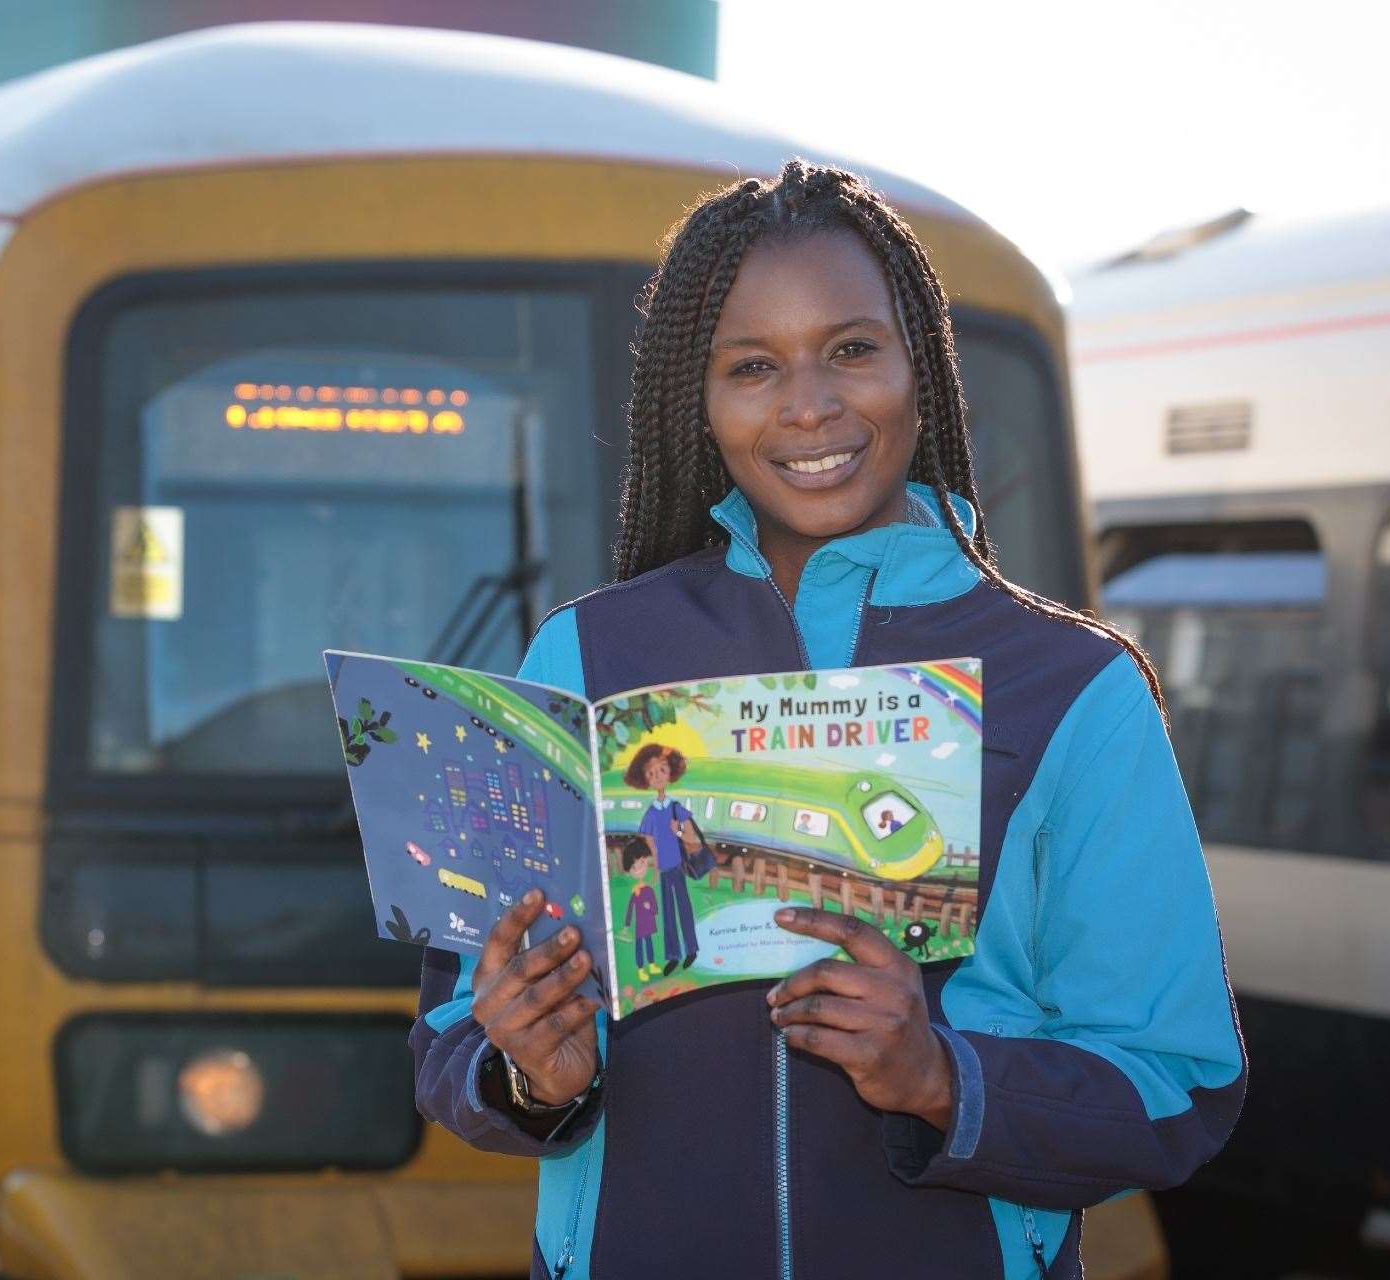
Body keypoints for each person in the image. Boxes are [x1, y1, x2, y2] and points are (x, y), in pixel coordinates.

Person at [407, 160, 1245, 1280]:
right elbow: (455, 1034)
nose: (810, 403)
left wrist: (946, 1079)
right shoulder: (587, 657)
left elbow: (1176, 1082)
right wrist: (529, 1069)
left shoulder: (1074, 687)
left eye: (853, 348)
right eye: (752, 366)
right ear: (697, 403)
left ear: (920, 367)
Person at [622, 743, 698, 974]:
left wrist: (676, 831)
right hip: (663, 869)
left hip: (678, 866)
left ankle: (691, 949)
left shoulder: (676, 807)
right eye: (650, 773)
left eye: (661, 770)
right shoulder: (650, 814)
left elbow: (690, 836)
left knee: (684, 908)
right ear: (645, 779)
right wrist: (654, 867)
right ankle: (673, 955)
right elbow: (650, 843)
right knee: (666, 913)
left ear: (670, 773)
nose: (657, 776)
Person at [617, 839, 661, 980]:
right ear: (629, 871)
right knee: (639, 947)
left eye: (641, 863)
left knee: (649, 944)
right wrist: (626, 925)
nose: (640, 869)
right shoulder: (634, 892)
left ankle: (652, 964)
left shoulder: (648, 889)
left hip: (649, 924)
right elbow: (630, 909)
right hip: (639, 926)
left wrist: (651, 909)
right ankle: (641, 969)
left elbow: (655, 908)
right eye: (634, 868)